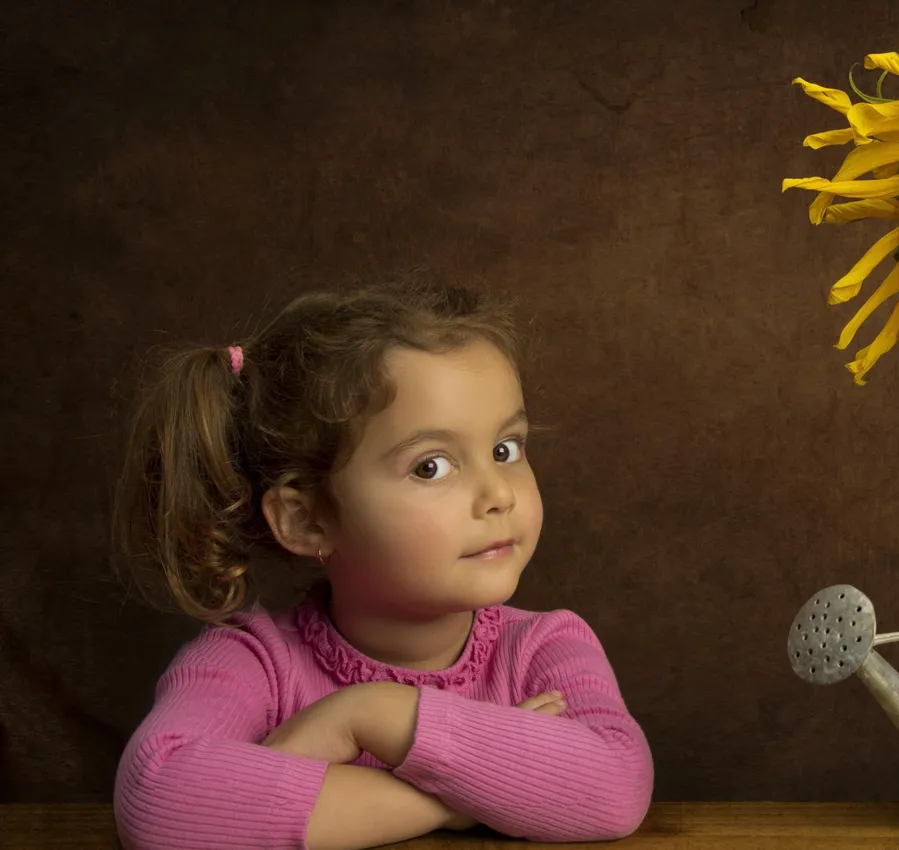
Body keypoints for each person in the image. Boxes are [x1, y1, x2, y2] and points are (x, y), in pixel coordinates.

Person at [111, 282, 653, 850]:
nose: (498, 494)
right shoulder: (250, 660)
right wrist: (466, 797)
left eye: (505, 449)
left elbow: (617, 787)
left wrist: (370, 714)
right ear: (306, 520)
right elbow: (158, 805)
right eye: (431, 466)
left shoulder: (545, 648)